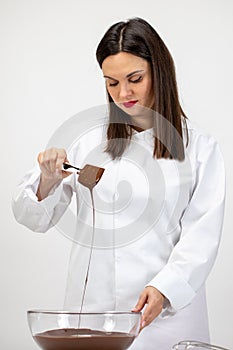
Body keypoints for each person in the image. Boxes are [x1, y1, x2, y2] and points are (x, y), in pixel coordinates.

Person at [12, 17, 225, 349]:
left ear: (160, 72)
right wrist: (47, 179)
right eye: (112, 83)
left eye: (135, 79)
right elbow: (33, 217)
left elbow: (202, 238)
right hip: (92, 318)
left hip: (166, 322)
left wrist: (165, 289)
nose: (123, 93)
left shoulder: (199, 148)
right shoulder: (88, 143)